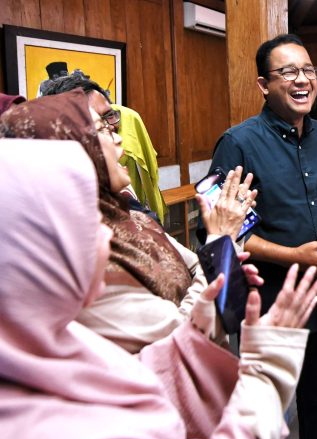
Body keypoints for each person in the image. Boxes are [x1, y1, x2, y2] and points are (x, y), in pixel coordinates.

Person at [0, 139, 317, 439]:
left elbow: (144, 370)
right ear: (33, 254)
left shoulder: (52, 335)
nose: (108, 234)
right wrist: (267, 369)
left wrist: (206, 309)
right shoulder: (49, 436)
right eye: (86, 221)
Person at [0, 89, 256, 354]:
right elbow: (178, 342)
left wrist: (225, 249)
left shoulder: (125, 212)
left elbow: (192, 263)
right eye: (102, 130)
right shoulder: (74, 257)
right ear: (71, 150)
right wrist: (221, 242)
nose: (119, 137)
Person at [209, 33, 317, 439]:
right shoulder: (238, 142)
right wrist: (294, 257)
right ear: (264, 84)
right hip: (269, 302)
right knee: (264, 405)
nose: (302, 79)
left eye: (308, 69)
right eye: (288, 71)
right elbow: (221, 231)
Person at [42, 72, 167, 224]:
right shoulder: (62, 216)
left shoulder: (116, 184)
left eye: (109, 116)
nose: (117, 137)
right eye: (98, 127)